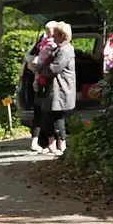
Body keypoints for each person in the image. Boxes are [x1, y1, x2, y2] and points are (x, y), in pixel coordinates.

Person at [38, 21, 76, 155]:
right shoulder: (59, 48)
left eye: (55, 34)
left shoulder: (65, 50)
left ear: (61, 35)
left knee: (57, 117)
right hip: (55, 88)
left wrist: (39, 68)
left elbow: (53, 68)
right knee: (50, 116)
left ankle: (61, 145)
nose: (52, 37)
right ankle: (53, 144)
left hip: (61, 89)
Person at [23, 20, 58, 152]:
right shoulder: (51, 45)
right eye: (48, 31)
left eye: (50, 32)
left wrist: (35, 67)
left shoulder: (42, 44)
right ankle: (51, 143)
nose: (48, 34)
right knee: (46, 113)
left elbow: (31, 60)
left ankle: (37, 142)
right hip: (46, 83)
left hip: (40, 81)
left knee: (40, 112)